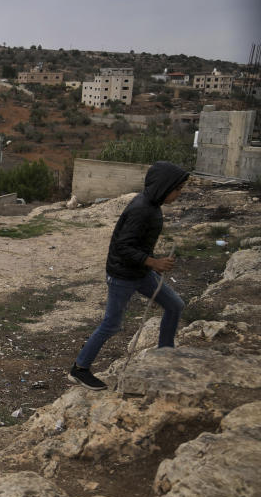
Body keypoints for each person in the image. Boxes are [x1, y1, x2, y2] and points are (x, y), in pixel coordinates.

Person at [70, 161, 189, 390]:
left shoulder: (151, 205)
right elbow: (123, 247)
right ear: (164, 187)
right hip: (123, 276)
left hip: (141, 273)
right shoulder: (142, 209)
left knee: (175, 305)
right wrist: (153, 262)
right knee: (111, 324)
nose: (179, 194)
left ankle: (164, 355)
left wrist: (152, 264)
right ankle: (79, 369)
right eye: (177, 189)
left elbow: (137, 243)